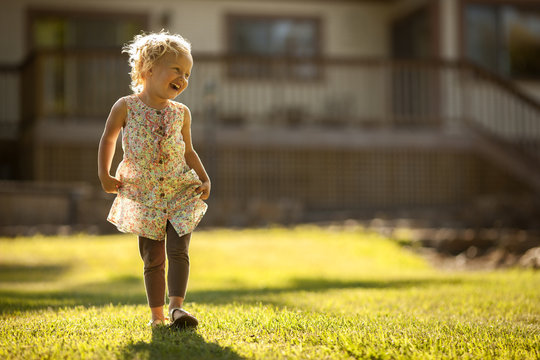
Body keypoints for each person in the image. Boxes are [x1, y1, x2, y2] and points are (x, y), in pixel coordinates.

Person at [97, 31, 210, 329]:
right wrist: (104, 174)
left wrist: (204, 177)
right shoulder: (125, 106)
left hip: (178, 191)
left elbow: (189, 150)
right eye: (177, 70)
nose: (183, 79)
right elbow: (108, 139)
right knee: (153, 257)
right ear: (148, 68)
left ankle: (177, 309)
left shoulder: (181, 113)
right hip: (144, 194)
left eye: (187, 74)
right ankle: (157, 316)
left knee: (179, 249)